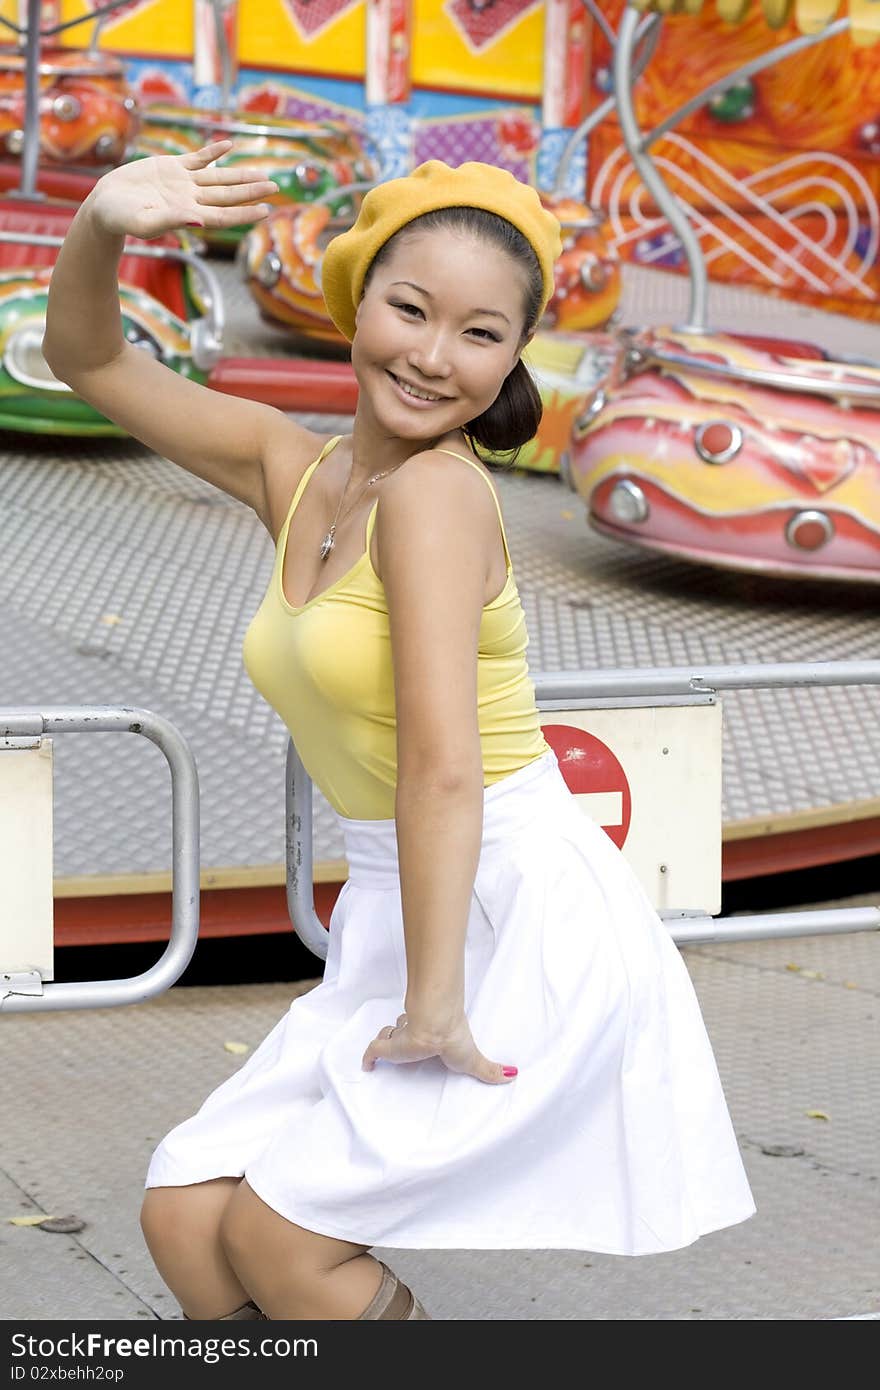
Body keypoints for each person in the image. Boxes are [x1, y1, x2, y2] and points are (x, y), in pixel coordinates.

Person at [44, 142, 756, 1323]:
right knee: (184, 1212)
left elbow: (441, 767)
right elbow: (87, 357)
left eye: (478, 334)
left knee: (284, 1244)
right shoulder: (295, 466)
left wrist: (433, 1004)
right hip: (405, 899)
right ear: (356, 300)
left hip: (502, 906)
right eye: (409, 309)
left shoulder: (434, 493)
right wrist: (104, 221)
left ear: (513, 358)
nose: (432, 357)